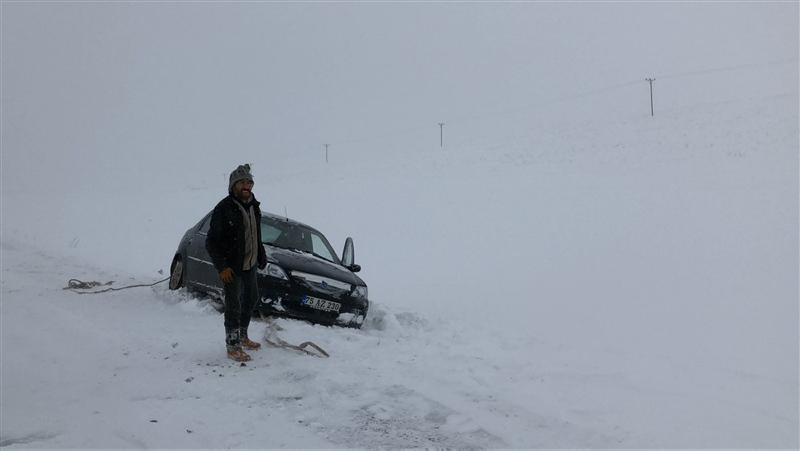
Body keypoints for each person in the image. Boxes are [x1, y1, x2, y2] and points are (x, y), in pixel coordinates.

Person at [206, 164, 267, 362]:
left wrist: (261, 254)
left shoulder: (254, 206)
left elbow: (255, 234)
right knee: (233, 305)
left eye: (249, 182)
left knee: (251, 299)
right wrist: (222, 266)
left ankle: (242, 335)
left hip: (250, 264)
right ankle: (232, 345)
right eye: (242, 182)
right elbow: (211, 241)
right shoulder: (223, 208)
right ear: (233, 185)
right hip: (232, 267)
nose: (246, 185)